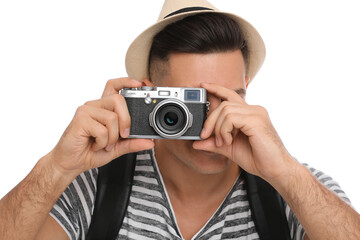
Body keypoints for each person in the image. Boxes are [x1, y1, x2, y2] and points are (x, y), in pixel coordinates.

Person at [1, 0, 359, 239]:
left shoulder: (295, 190)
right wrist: (57, 167)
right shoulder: (94, 187)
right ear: (147, 95)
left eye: (226, 98)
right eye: (187, 103)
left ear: (246, 89)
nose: (208, 122)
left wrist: (284, 172)